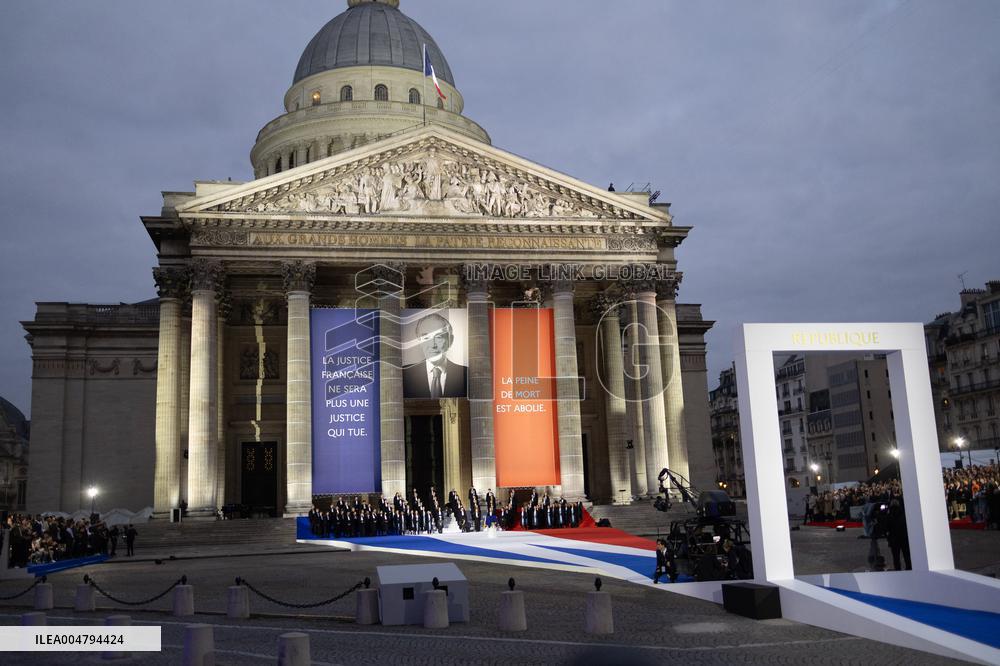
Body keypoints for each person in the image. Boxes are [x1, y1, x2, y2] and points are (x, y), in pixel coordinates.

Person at [402, 312, 467, 398]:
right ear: (419, 342)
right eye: (426, 338)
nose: (432, 345)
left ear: (450, 341)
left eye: (439, 337)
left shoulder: (467, 375)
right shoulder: (403, 374)